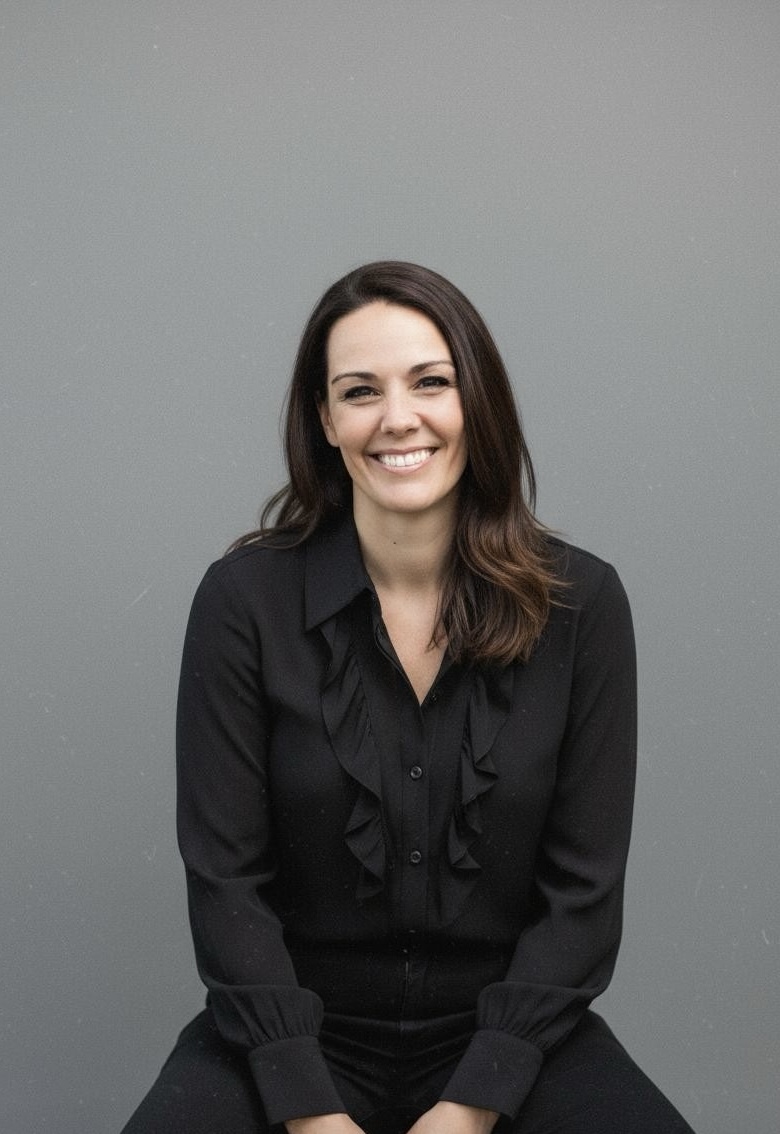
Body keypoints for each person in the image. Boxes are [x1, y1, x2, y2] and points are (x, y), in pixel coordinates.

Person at [121, 262, 694, 1134]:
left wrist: (473, 1102)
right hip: (291, 1036)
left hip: (511, 1040)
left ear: (477, 401)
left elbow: (584, 896)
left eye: (431, 382)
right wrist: (309, 1109)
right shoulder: (243, 603)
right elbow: (225, 882)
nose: (398, 417)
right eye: (360, 391)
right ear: (326, 421)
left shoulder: (583, 605)